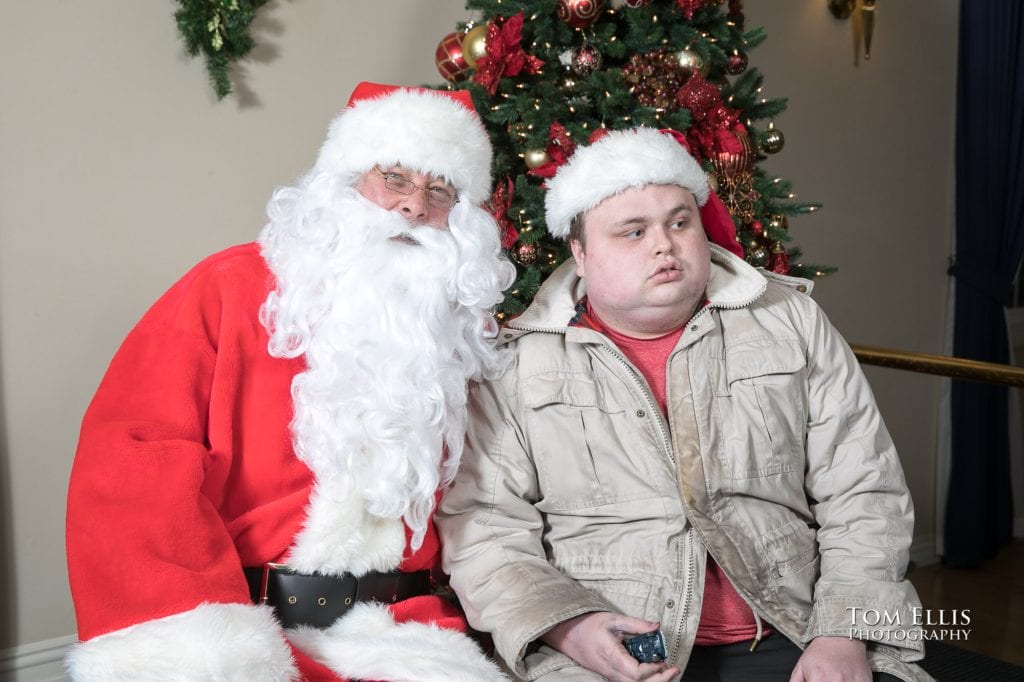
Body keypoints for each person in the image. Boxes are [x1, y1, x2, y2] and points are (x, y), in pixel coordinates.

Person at [437, 127, 932, 682]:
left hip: (797, 628)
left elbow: (865, 489)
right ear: (579, 251)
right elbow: (484, 527)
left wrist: (843, 633)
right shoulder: (516, 363)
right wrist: (571, 628)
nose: (664, 245)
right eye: (632, 231)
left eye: (679, 222)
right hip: (608, 649)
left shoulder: (790, 321)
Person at [65, 82, 515, 681]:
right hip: (239, 625)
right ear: (346, 180)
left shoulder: (459, 335)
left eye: (439, 191)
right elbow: (131, 462)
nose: (413, 208)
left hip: (410, 631)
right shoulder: (226, 289)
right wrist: (200, 634)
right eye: (396, 180)